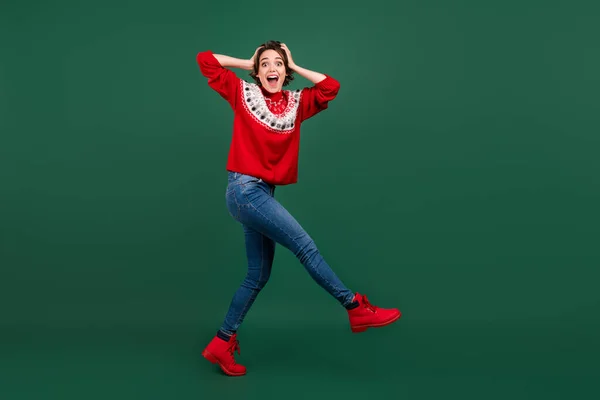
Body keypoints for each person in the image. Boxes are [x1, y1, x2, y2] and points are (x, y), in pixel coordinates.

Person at [196, 41, 401, 376]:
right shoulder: (241, 93)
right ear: (257, 72)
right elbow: (206, 60)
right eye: (265, 64)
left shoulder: (297, 103)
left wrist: (295, 62)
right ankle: (354, 306)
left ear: (285, 71)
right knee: (304, 246)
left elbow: (330, 87)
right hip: (245, 190)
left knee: (257, 274)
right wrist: (246, 61)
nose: (271, 69)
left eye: (278, 64)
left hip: (261, 194)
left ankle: (221, 342)